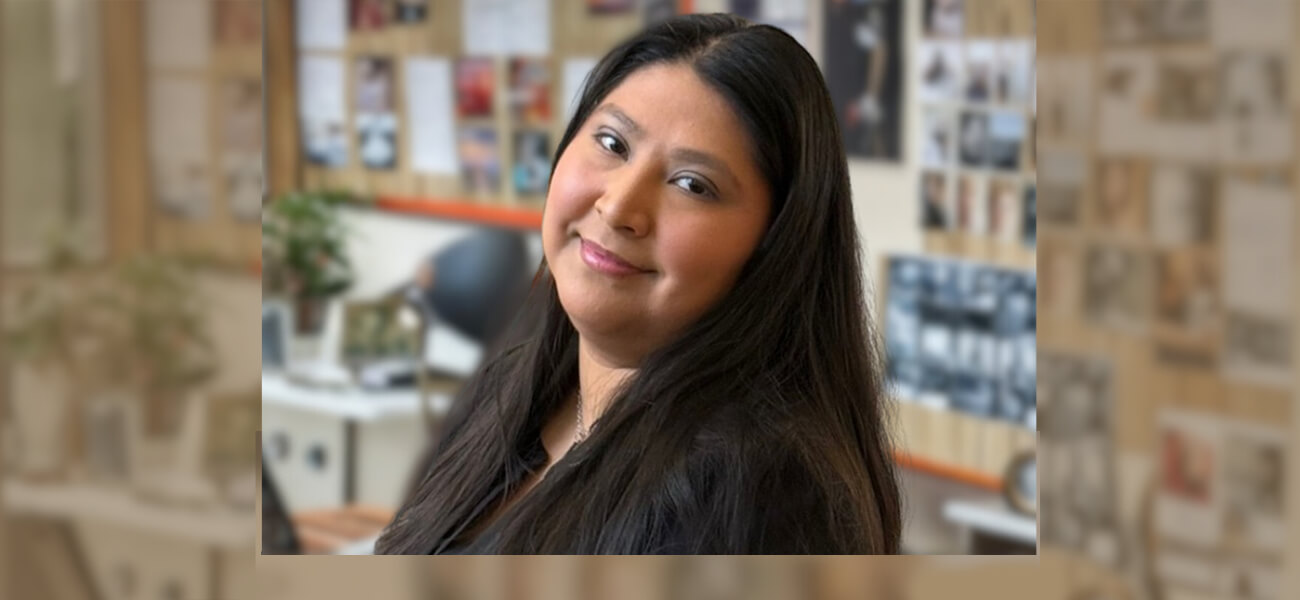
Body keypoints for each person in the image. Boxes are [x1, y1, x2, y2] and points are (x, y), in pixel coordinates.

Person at [376, 13, 901, 555]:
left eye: (692, 184)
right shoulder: (512, 387)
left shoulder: (758, 488)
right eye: (612, 142)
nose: (619, 205)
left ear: (775, 245)